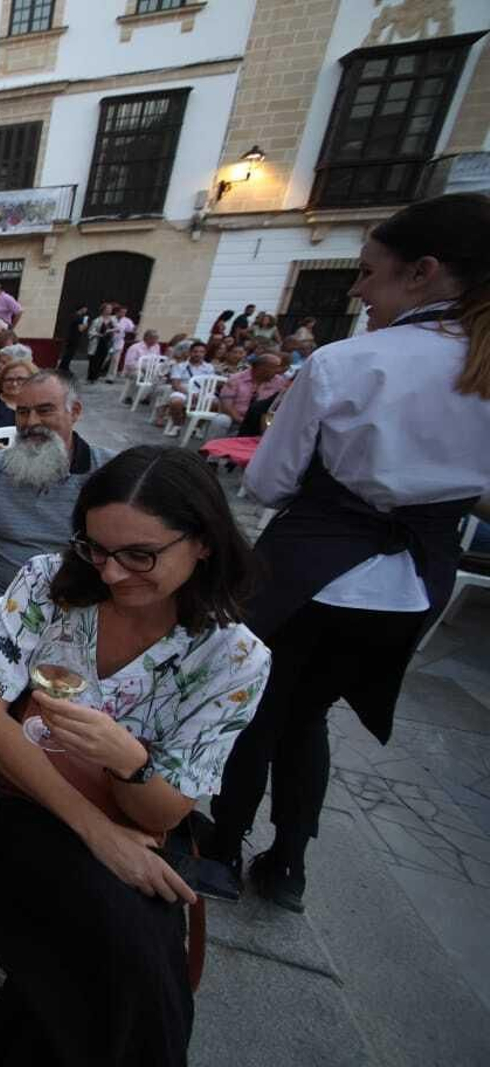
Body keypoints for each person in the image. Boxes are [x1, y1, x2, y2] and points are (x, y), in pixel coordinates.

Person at [0, 445, 270, 1067]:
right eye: (97, 548)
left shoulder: (232, 656)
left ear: (202, 542)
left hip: (133, 818)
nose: (113, 573)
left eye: (140, 555)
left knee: (129, 953)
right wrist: (95, 831)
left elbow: (161, 815)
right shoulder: (49, 581)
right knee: (126, 949)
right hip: (20, 791)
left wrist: (130, 760)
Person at [206, 193, 490, 911]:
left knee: (256, 707)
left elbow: (268, 482)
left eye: (368, 273)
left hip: (311, 570)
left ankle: (221, 844)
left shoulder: (349, 362)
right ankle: (290, 864)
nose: (357, 290)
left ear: (422, 272)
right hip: (413, 583)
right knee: (308, 716)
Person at [0, 370, 113, 695]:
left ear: (74, 412)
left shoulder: (105, 472)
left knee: (70, 678)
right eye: (23, 412)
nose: (30, 421)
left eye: (45, 410)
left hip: (73, 599)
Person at [218, 353, 289, 431]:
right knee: (221, 420)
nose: (278, 371)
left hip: (261, 423)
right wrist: (242, 421)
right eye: (275, 368)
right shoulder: (236, 379)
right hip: (234, 419)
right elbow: (226, 407)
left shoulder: (279, 382)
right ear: (262, 368)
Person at [159, 341, 216, 433]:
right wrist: (190, 394)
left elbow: (210, 384)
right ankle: (178, 425)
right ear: (190, 352)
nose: (198, 354)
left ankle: (197, 427)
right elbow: (175, 384)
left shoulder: (209, 368)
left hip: (201, 392)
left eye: (201, 352)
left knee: (215, 403)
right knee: (175, 402)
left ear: (205, 353)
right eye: (195, 351)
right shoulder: (180, 366)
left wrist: (200, 394)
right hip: (184, 391)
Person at [86, 303, 117, 383]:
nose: (110, 310)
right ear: (103, 310)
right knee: (94, 360)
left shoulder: (113, 320)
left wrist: (112, 331)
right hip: (98, 342)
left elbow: (117, 329)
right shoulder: (97, 320)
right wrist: (98, 334)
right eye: (108, 308)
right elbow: (91, 332)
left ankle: (96, 376)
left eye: (110, 309)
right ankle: (91, 377)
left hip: (107, 342)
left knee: (102, 359)